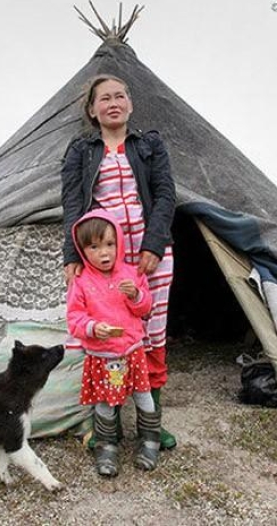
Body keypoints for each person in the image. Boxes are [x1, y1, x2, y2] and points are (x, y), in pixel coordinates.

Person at [61, 74, 177, 450]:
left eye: (119, 96)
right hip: (102, 255)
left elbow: (165, 195)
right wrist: (73, 255)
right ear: (92, 110)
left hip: (150, 253)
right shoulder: (80, 151)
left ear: (130, 103)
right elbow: (73, 206)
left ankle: (150, 423)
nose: (113, 102)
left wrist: (154, 244)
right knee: (103, 335)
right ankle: (104, 424)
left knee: (152, 332)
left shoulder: (149, 145)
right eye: (104, 99)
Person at [66, 209, 161, 475]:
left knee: (143, 395)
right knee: (106, 402)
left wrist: (136, 296)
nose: (104, 253)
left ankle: (150, 439)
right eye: (94, 247)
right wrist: (94, 328)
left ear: (119, 242)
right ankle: (107, 446)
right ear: (83, 251)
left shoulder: (132, 274)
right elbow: (74, 319)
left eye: (109, 244)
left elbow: (146, 309)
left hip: (132, 351)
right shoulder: (81, 282)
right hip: (103, 357)